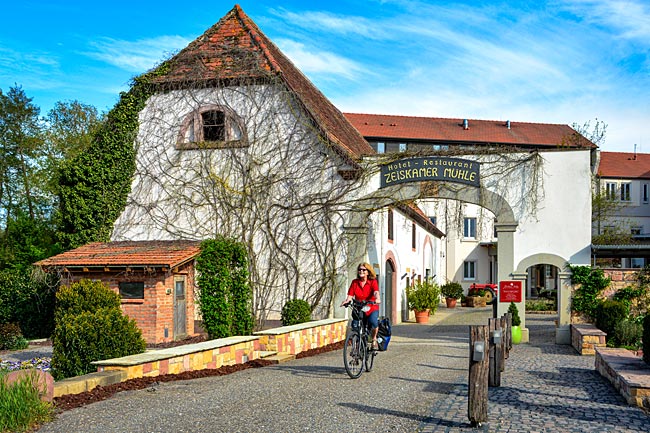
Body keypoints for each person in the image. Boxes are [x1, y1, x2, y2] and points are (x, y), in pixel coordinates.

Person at [341, 262, 381, 350]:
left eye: (363, 269)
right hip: (359, 308)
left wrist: (377, 298)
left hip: (371, 307)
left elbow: (376, 292)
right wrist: (346, 301)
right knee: (355, 326)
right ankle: (357, 346)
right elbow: (350, 295)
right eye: (359, 269)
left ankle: (374, 339)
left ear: (368, 272)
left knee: (373, 322)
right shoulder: (355, 282)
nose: (361, 271)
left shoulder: (372, 282)